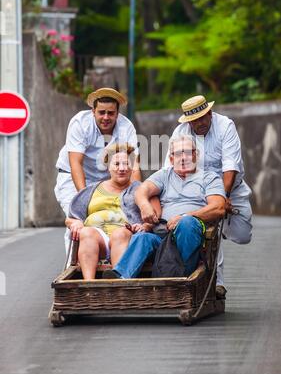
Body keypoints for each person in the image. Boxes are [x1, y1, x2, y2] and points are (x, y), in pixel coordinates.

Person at [165, 95, 253, 298]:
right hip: (197, 191)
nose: (200, 123)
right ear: (187, 121)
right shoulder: (179, 133)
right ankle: (217, 283)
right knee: (210, 229)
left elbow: (230, 166)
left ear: (210, 113)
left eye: (203, 117)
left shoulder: (225, 126)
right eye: (195, 120)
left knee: (243, 235)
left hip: (231, 188)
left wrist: (223, 196)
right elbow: (170, 168)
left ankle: (221, 227)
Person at [103, 135, 225, 280]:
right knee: (143, 238)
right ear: (172, 158)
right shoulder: (164, 175)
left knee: (187, 223)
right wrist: (144, 206)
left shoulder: (209, 178)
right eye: (178, 154)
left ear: (195, 155)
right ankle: (120, 279)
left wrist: (186, 216)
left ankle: (179, 279)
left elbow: (219, 207)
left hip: (189, 234)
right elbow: (141, 191)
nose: (183, 157)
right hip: (162, 234)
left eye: (187, 152)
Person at [54, 87, 141, 257]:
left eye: (111, 113)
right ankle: (73, 267)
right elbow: (75, 163)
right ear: (92, 111)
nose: (106, 117)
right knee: (77, 220)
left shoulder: (126, 127)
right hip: (73, 177)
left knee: (119, 218)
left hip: (107, 179)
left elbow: (134, 166)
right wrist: (85, 199)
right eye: (101, 112)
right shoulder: (80, 123)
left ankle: (110, 260)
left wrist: (138, 198)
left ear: (117, 113)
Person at [66, 144, 160, 280]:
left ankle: (117, 282)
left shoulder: (141, 189)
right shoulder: (92, 190)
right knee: (86, 232)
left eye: (126, 164)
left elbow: (155, 214)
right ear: (108, 166)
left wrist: (144, 226)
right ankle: (89, 285)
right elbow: (70, 218)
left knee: (119, 233)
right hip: (98, 241)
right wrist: (76, 223)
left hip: (126, 239)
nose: (122, 168)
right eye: (116, 164)